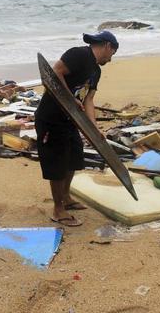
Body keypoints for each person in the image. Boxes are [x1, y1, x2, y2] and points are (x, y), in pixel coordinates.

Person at [35, 30, 118, 227]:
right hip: (51, 117)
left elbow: (88, 99)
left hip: (71, 120)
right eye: (112, 53)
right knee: (57, 164)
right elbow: (55, 72)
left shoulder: (96, 71)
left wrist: (93, 128)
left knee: (74, 159)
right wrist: (71, 99)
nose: (111, 59)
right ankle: (57, 209)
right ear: (107, 46)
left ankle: (66, 198)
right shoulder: (79, 54)